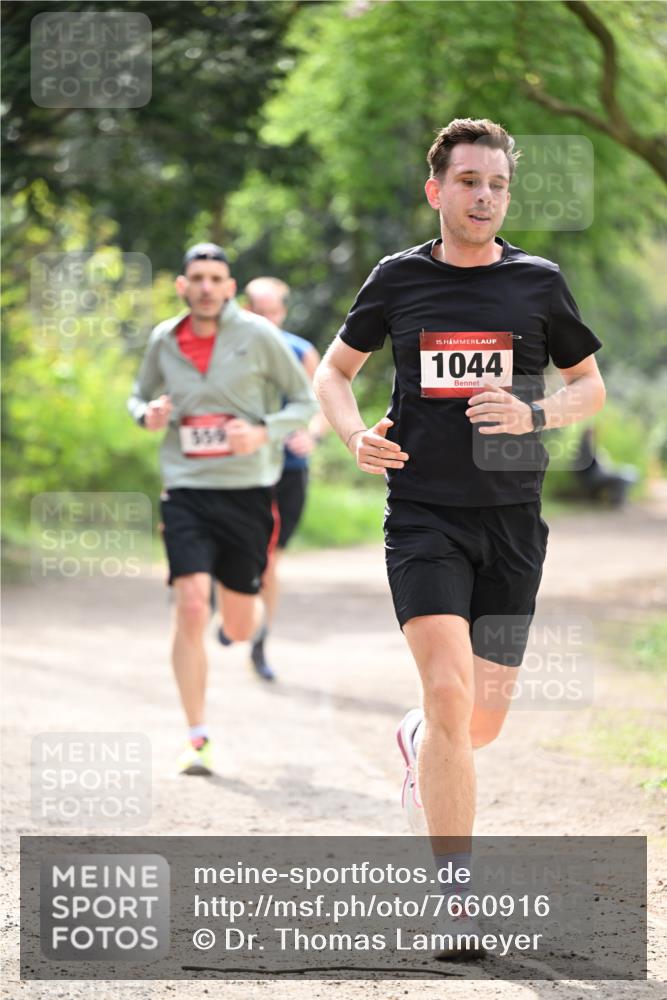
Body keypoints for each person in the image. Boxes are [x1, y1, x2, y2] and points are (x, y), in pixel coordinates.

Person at [314, 119, 605, 955]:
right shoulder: (397, 278)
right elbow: (333, 372)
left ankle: (416, 740)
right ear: (436, 190)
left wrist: (533, 412)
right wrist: (352, 436)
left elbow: (589, 387)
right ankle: (453, 900)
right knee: (446, 693)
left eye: (497, 184)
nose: (484, 196)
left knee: (479, 723)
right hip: (423, 515)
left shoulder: (537, 284)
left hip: (512, 523)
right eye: (469, 181)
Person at [127, 243, 317, 776]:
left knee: (237, 623)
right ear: (182, 286)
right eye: (197, 278)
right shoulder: (165, 339)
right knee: (190, 605)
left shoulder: (259, 336)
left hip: (247, 492)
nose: (206, 287)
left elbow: (304, 402)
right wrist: (148, 414)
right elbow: (138, 396)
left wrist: (262, 432)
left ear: (230, 287)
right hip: (185, 488)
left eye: (216, 278)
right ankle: (197, 738)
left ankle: (245, 623)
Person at [217, 277, 328, 680]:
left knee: (268, 561)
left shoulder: (301, 352)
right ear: (246, 309)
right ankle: (233, 609)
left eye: (273, 312)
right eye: (258, 311)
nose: (266, 319)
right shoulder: (227, 349)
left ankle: (259, 646)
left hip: (288, 471)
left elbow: (323, 406)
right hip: (241, 468)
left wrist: (312, 435)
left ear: (283, 311)